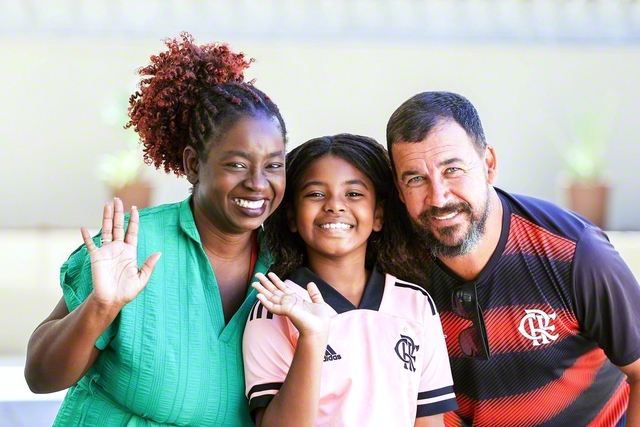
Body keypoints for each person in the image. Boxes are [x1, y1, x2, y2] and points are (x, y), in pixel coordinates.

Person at [24, 32, 287, 426]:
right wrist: (101, 308)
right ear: (193, 164)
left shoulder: (286, 262)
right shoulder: (133, 245)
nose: (257, 183)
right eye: (236, 164)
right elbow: (39, 376)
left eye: (273, 165)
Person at [385, 90, 640, 427]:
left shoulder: (575, 252)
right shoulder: (398, 266)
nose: (439, 198)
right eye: (416, 179)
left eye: (453, 170)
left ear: (488, 164)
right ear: (399, 189)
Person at [242, 134, 458, 427]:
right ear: (291, 216)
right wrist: (312, 337)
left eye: (354, 194)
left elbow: (429, 421)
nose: (335, 206)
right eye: (316, 194)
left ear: (378, 214)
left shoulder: (415, 303)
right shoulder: (274, 308)